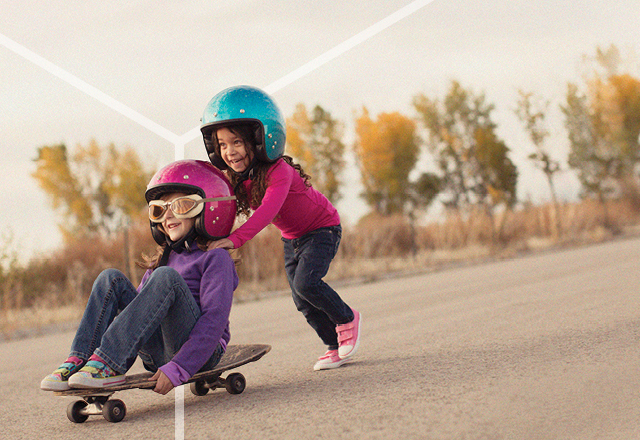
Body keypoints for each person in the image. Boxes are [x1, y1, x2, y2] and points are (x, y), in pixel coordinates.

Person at [40, 160, 238, 394]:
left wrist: (180, 367)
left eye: (180, 206)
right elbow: (139, 315)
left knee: (166, 277)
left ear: (208, 208)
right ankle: (80, 360)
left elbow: (214, 322)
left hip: (202, 354)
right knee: (110, 278)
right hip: (157, 354)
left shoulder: (215, 258)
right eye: (159, 209)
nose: (167, 215)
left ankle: (108, 362)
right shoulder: (163, 260)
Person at [200, 85, 361, 371]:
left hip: (322, 229)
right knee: (301, 299)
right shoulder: (237, 180)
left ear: (261, 139)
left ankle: (346, 318)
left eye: (236, 142)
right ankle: (333, 347)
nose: (229, 152)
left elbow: (266, 212)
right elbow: (220, 209)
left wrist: (234, 240)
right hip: (293, 238)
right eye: (222, 145)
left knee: (306, 283)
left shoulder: (279, 172)